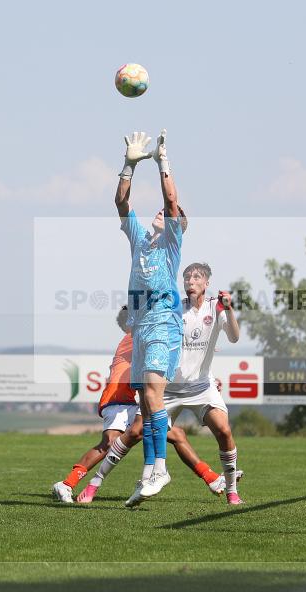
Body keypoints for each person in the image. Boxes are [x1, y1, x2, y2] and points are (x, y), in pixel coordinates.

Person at [51, 306, 227, 504]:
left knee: (176, 435)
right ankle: (67, 484)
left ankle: (212, 479)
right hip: (119, 398)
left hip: (136, 401)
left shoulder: (141, 335)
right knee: (109, 442)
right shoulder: (133, 337)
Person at [115, 130, 186, 504]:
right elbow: (120, 202)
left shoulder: (171, 244)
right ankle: (147, 473)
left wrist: (162, 162)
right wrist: (129, 165)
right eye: (158, 212)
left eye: (168, 215)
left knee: (155, 396)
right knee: (145, 402)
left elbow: (171, 200)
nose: (161, 212)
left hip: (163, 325)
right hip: (140, 329)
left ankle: (161, 468)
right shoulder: (140, 238)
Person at [165, 262, 244, 504]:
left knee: (224, 431)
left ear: (206, 283)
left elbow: (234, 337)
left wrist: (229, 309)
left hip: (201, 387)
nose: (190, 281)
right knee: (138, 431)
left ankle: (232, 491)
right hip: (169, 389)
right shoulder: (174, 308)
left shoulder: (216, 307)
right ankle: (149, 476)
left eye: (196, 277)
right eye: (187, 277)